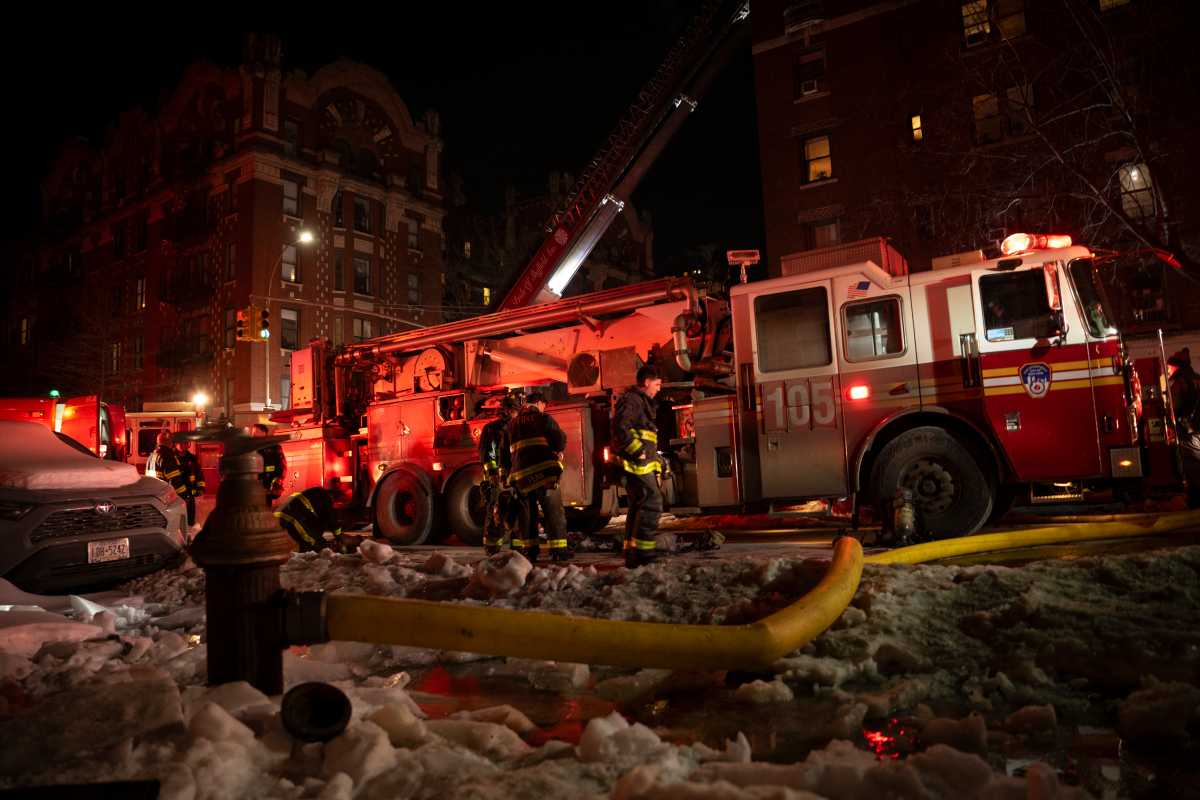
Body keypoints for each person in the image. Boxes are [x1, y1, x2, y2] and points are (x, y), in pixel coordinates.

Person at [506, 391, 570, 563]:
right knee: (553, 510)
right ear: (540, 403)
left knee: (527, 514)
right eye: (544, 405)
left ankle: (530, 551)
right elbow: (560, 439)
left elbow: (504, 453)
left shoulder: (512, 424)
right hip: (544, 474)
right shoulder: (544, 419)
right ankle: (558, 551)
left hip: (521, 477)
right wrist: (558, 451)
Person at [613, 365, 665, 568]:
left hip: (641, 463)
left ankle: (632, 551)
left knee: (639, 504)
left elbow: (645, 436)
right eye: (657, 384)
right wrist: (636, 451)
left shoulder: (640, 402)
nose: (659, 389)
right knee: (653, 501)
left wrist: (657, 460)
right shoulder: (632, 400)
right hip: (636, 463)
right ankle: (644, 552)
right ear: (646, 382)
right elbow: (620, 427)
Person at [478, 393, 521, 555]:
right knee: (496, 511)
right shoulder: (492, 429)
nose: (512, 413)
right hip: (498, 479)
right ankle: (492, 548)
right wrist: (493, 474)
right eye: (510, 409)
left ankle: (516, 547)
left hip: (514, 477)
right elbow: (486, 453)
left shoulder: (516, 427)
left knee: (516, 511)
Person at [1168, 348, 1200, 508]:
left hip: (1188, 430)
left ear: (1176, 367)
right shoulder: (1196, 378)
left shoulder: (1180, 382)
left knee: (1192, 464)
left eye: (1169, 367)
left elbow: (1174, 407)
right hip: (1197, 429)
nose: (1168, 370)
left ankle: (1196, 502)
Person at [274, 487, 342, 553]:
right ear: (332, 496)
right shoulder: (325, 498)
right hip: (290, 516)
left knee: (309, 539)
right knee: (312, 541)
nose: (333, 503)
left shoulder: (316, 493)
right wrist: (338, 535)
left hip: (283, 515)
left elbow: (321, 519)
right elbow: (331, 517)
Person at [148, 430, 189, 505]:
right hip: (165, 497)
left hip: (154, 495)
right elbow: (174, 479)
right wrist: (184, 496)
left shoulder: (152, 455)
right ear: (170, 442)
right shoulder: (167, 456)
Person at [253, 423, 287, 506]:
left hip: (267, 487)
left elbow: (282, 467)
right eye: (253, 433)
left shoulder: (274, 448)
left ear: (263, 433)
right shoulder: (252, 449)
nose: (253, 435)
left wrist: (277, 482)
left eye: (255, 432)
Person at [176, 440, 206, 526]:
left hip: (190, 492)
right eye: (180, 443)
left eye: (185, 443)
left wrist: (200, 488)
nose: (182, 445)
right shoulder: (171, 458)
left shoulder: (192, 458)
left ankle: (189, 530)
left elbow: (198, 474)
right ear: (176, 444)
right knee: (177, 518)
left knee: (190, 517)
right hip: (176, 493)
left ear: (188, 445)